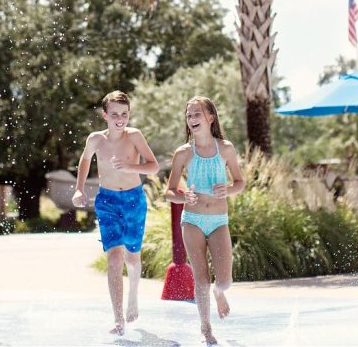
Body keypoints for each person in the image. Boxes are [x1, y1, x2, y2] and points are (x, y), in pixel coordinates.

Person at [73, 90, 159, 335]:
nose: (119, 119)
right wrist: (79, 190)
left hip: (133, 200)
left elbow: (153, 166)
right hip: (107, 201)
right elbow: (84, 161)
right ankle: (118, 319)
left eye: (124, 114)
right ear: (105, 115)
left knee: (132, 256)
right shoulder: (96, 140)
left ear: (129, 114)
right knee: (114, 258)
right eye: (114, 115)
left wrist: (130, 166)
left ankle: (133, 296)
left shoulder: (135, 137)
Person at [165, 96, 245, 345]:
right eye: (189, 115)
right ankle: (206, 328)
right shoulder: (183, 153)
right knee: (200, 278)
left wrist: (229, 191)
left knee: (224, 281)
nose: (192, 119)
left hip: (219, 220)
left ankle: (219, 293)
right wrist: (183, 196)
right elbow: (169, 192)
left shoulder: (226, 149)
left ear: (210, 117)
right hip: (193, 221)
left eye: (197, 114)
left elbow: (240, 182)